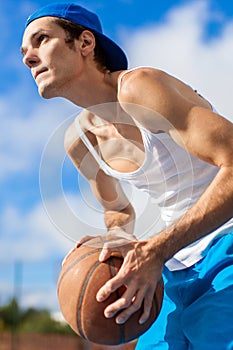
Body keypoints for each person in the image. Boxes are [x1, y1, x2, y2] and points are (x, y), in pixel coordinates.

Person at [21, 3, 233, 349]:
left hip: (225, 243)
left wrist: (156, 249)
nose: (29, 57)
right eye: (24, 51)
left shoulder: (140, 88)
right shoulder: (80, 141)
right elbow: (118, 213)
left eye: (41, 40)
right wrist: (116, 238)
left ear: (85, 43)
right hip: (173, 264)